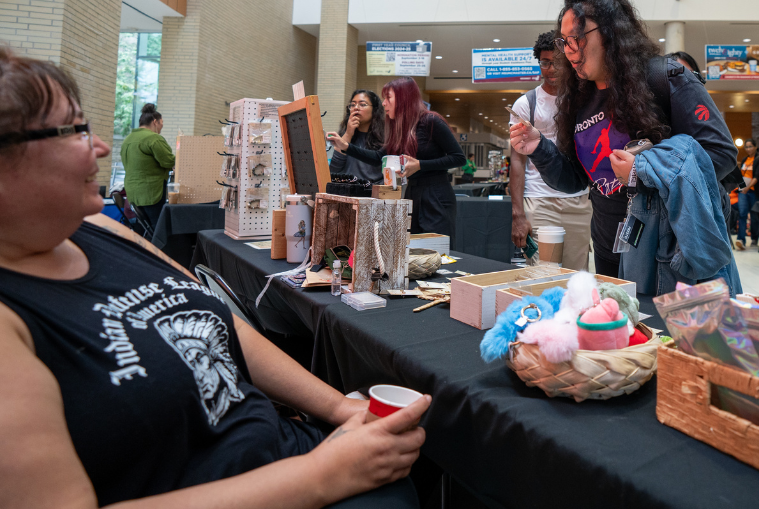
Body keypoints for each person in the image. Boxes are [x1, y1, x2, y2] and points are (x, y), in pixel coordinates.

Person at [0, 49, 430, 508]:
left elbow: (226, 326)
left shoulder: (102, 232)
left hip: (289, 453)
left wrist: (341, 408)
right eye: (77, 130)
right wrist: (326, 472)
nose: (101, 146)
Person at [509, 0, 740, 279]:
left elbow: (721, 154)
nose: (569, 50)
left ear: (610, 31)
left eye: (577, 37)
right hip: (609, 246)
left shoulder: (665, 78)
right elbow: (576, 180)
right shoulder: (578, 99)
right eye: (563, 41)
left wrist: (643, 170)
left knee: (664, 328)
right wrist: (539, 147)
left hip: (667, 251)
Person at [326, 77, 466, 240]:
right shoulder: (399, 128)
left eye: (388, 98)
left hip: (436, 195)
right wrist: (346, 146)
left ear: (403, 99)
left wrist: (420, 165)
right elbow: (379, 157)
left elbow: (458, 158)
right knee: (412, 248)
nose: (384, 103)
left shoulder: (430, 121)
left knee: (436, 250)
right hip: (412, 193)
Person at [509, 31, 593, 271]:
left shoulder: (583, 99)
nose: (552, 69)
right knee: (543, 273)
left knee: (578, 275)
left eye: (557, 62)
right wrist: (517, 214)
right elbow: (517, 161)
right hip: (540, 199)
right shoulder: (526, 103)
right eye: (545, 63)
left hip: (578, 199)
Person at [120, 102, 175, 229]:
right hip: (150, 193)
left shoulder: (128, 139)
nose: (161, 128)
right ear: (155, 122)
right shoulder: (153, 138)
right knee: (159, 229)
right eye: (161, 124)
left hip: (133, 194)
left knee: (146, 228)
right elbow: (168, 161)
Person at [330, 90, 385, 183]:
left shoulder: (384, 137)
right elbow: (334, 169)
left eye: (362, 104)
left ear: (374, 109)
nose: (356, 108)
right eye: (352, 105)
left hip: (374, 193)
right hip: (347, 191)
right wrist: (348, 133)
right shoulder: (343, 135)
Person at [733, 138, 759, 251]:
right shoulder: (744, 160)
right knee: (742, 214)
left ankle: (754, 238)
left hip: (754, 191)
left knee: (754, 215)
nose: (748, 149)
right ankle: (741, 239)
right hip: (743, 191)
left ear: (755, 147)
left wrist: (748, 187)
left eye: (750, 146)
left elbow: (758, 176)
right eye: (746, 147)